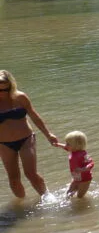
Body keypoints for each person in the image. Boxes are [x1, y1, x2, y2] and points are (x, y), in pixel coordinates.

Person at [0, 69, 58, 198]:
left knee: (31, 174)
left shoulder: (20, 97)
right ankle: (21, 206)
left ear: (11, 86)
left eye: (5, 90)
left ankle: (48, 199)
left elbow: (34, 116)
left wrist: (49, 135)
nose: (2, 93)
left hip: (26, 139)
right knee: (14, 179)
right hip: (4, 144)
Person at [56, 130, 94, 199]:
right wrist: (58, 145)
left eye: (68, 144)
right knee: (68, 194)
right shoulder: (72, 151)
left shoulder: (83, 154)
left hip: (85, 179)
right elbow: (66, 148)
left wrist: (83, 169)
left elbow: (91, 163)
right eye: (66, 143)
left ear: (77, 145)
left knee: (80, 196)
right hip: (76, 178)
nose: (66, 145)